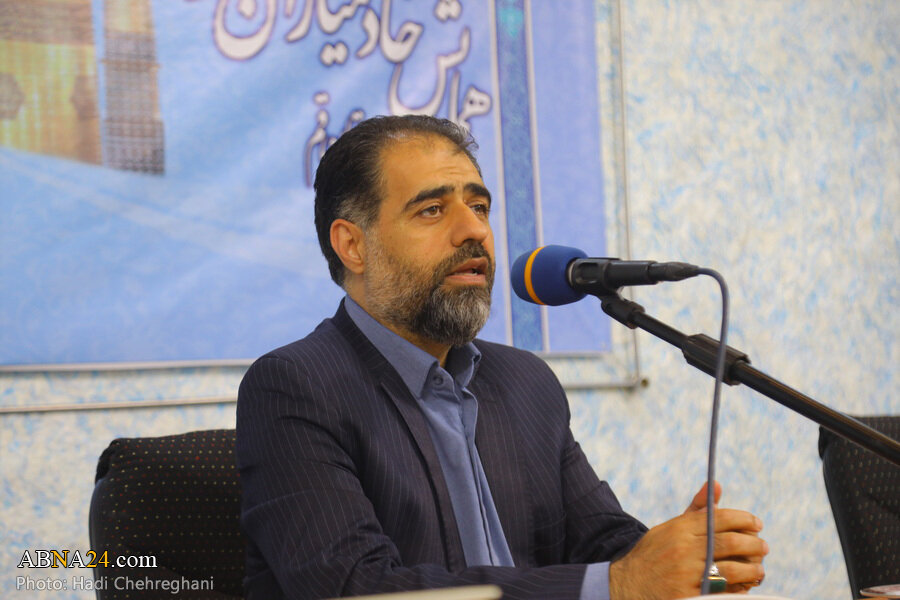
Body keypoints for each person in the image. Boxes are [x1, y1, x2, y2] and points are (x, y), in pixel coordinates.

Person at [236, 115, 768, 600]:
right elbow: (357, 587)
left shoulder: (524, 381)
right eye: (432, 210)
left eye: (479, 207)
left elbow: (603, 544)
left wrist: (694, 562)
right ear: (353, 246)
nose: (474, 231)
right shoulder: (295, 387)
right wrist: (624, 581)